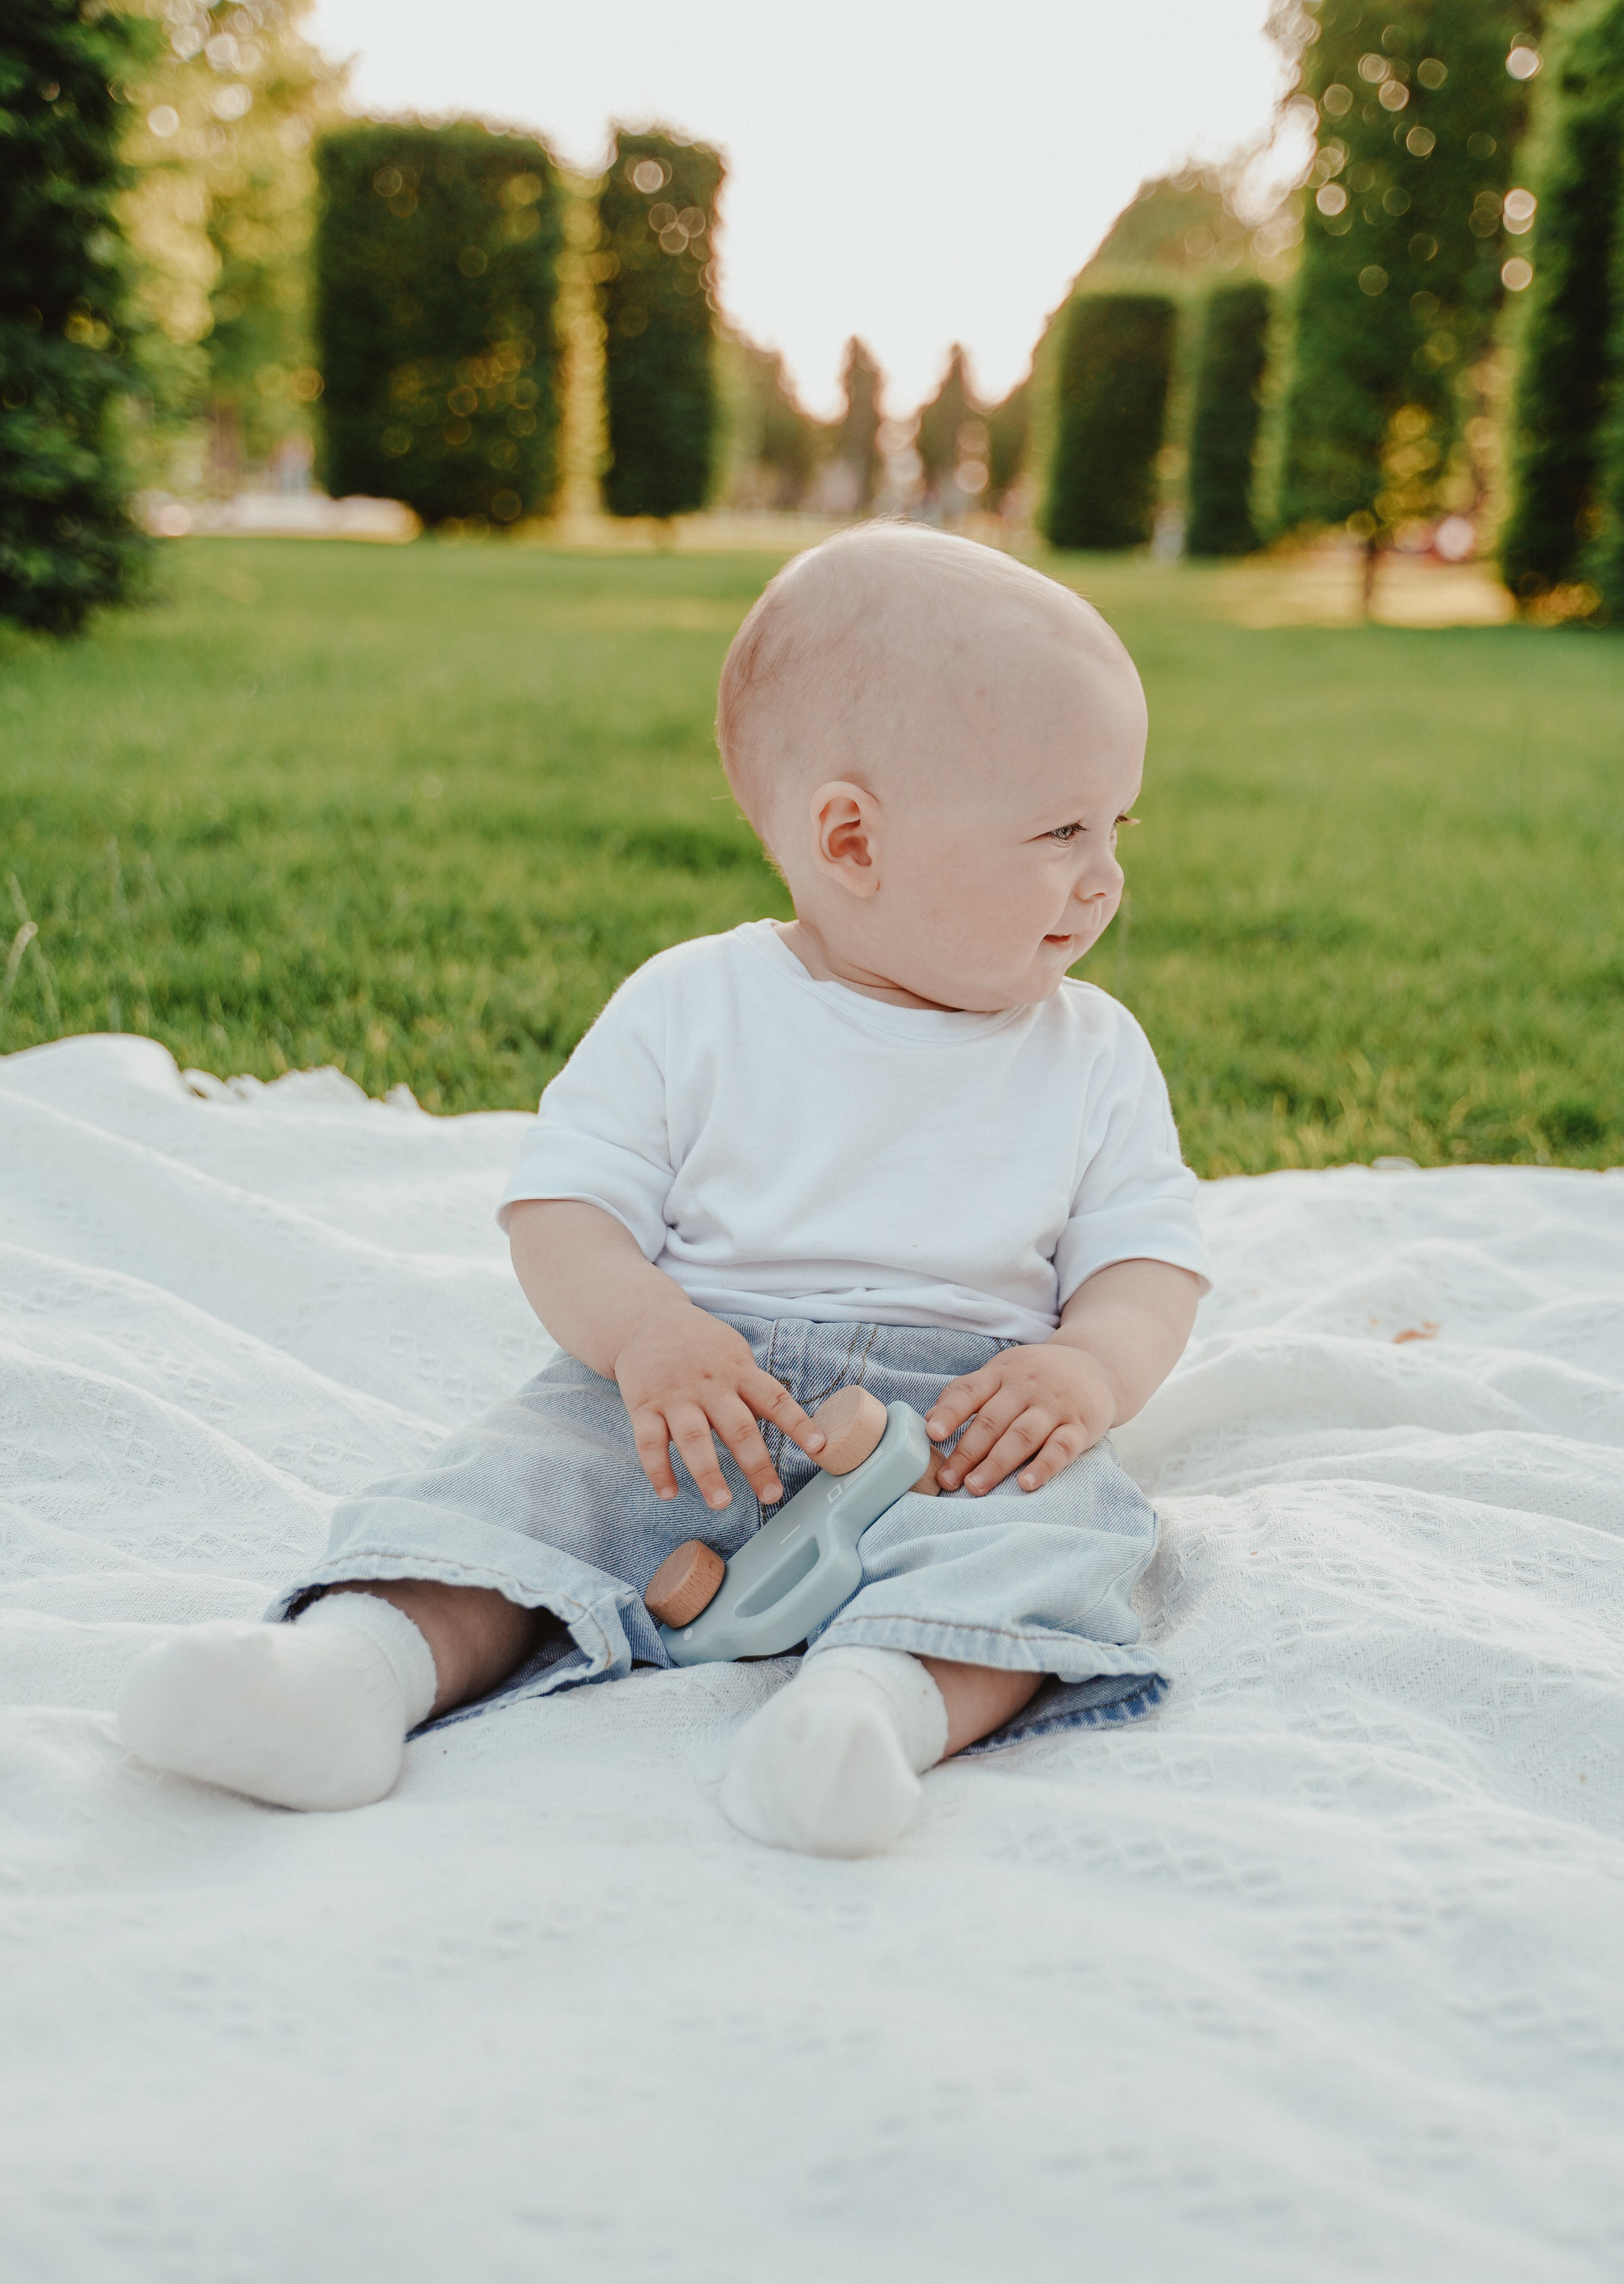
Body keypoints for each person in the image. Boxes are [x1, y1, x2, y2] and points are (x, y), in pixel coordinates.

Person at [117, 525, 1208, 1859]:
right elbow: (565, 1212)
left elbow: (1144, 1262)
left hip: (957, 1422)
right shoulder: (695, 1005)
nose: (1105, 876)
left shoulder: (1089, 1052)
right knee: (516, 1488)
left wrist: (1086, 1375)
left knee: (1054, 1537)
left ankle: (867, 1720)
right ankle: (349, 1678)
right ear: (851, 838)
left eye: (1115, 825)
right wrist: (642, 1336)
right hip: (691, 1391)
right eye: (1059, 830)